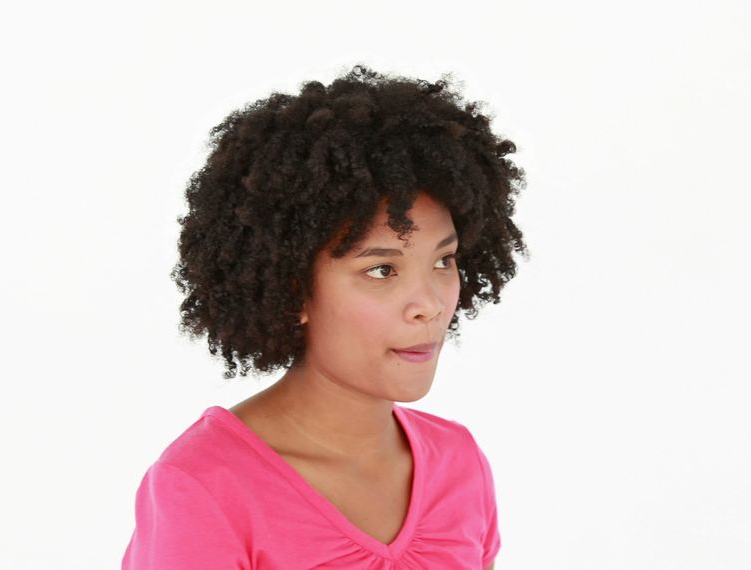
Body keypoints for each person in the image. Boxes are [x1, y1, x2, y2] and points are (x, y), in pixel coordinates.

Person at [122, 64, 527, 569]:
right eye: (382, 269)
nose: (430, 302)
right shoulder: (205, 488)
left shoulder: (458, 462)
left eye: (444, 261)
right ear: (294, 289)